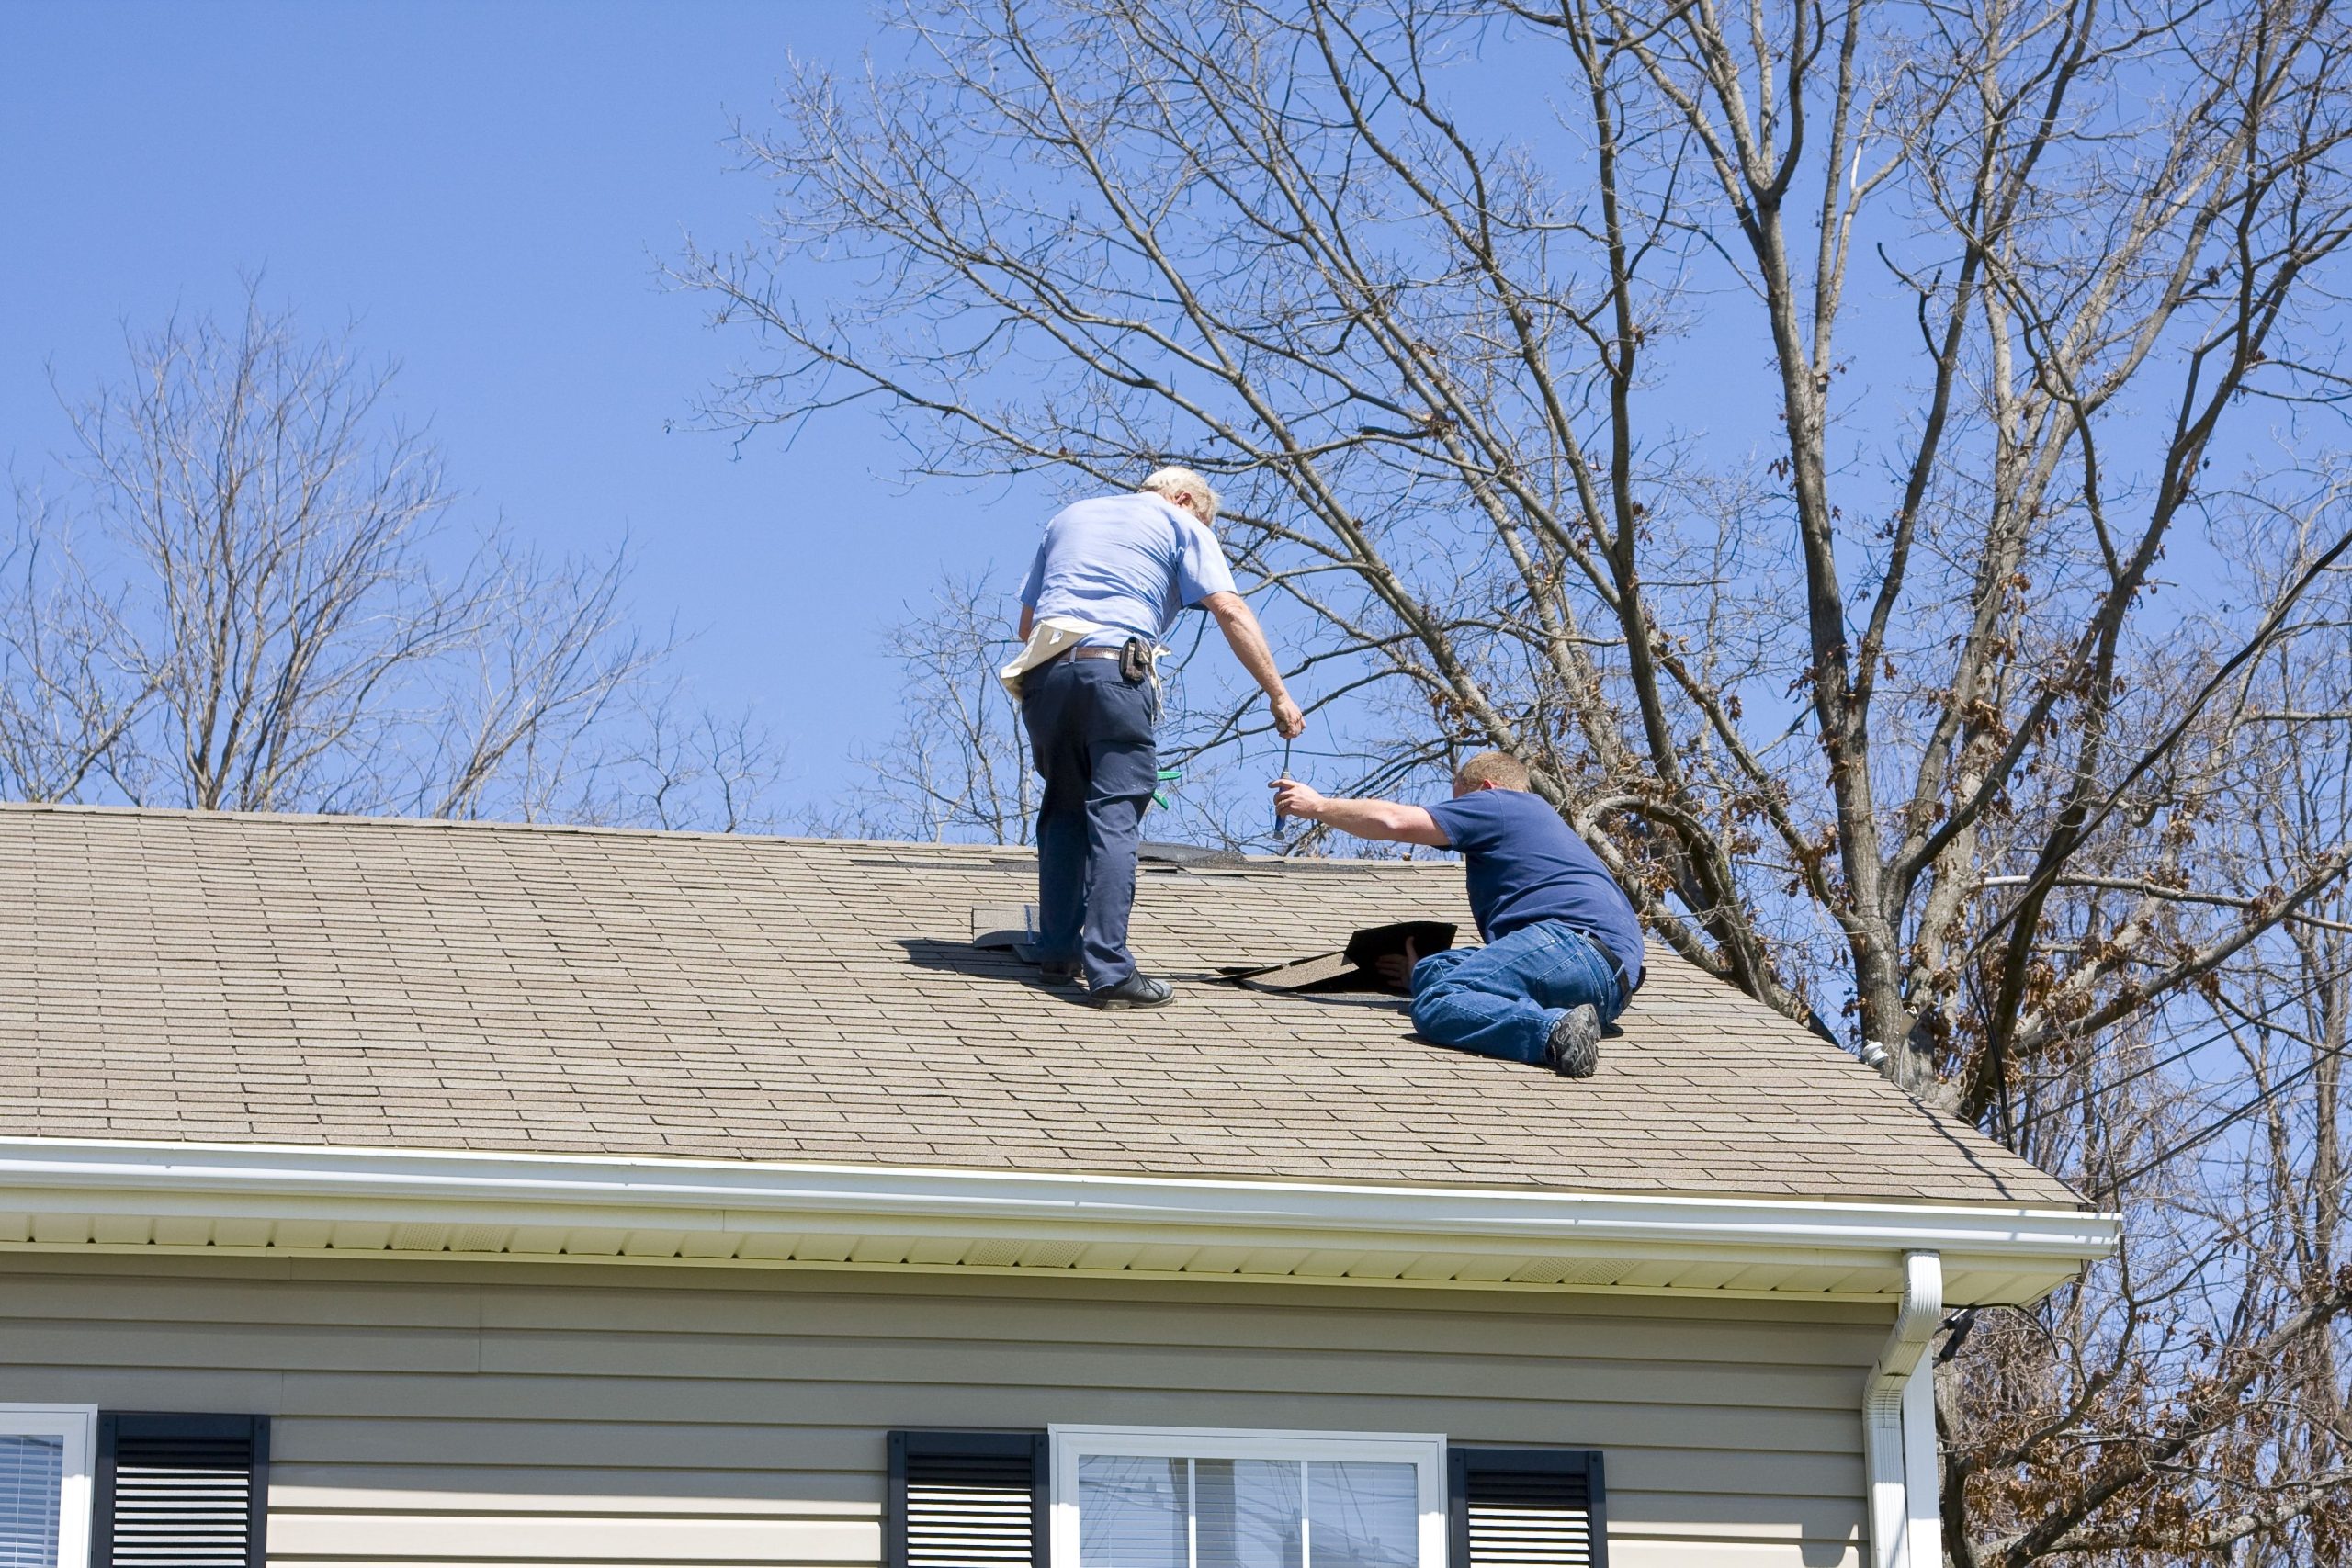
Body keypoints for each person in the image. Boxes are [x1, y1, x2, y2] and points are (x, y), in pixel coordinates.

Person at [1008, 468, 1306, 1010]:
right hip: (1114, 674)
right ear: (1186, 498)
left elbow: (1027, 626)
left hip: (1045, 678)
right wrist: (1278, 693)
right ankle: (1110, 969)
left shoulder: (1068, 517)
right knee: (1115, 813)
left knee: (1064, 809)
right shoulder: (1181, 522)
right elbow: (1229, 608)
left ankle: (1057, 949)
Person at [1269, 752, 1642, 1076]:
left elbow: (1394, 821)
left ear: (1486, 787)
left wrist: (1317, 806)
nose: (1458, 815)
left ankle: (1553, 1030)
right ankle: (1556, 1017)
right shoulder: (1545, 828)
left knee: (1435, 1003)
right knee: (1433, 972)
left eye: (1460, 803)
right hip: (1606, 990)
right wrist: (1417, 974)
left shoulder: (1500, 804)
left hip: (1570, 949)